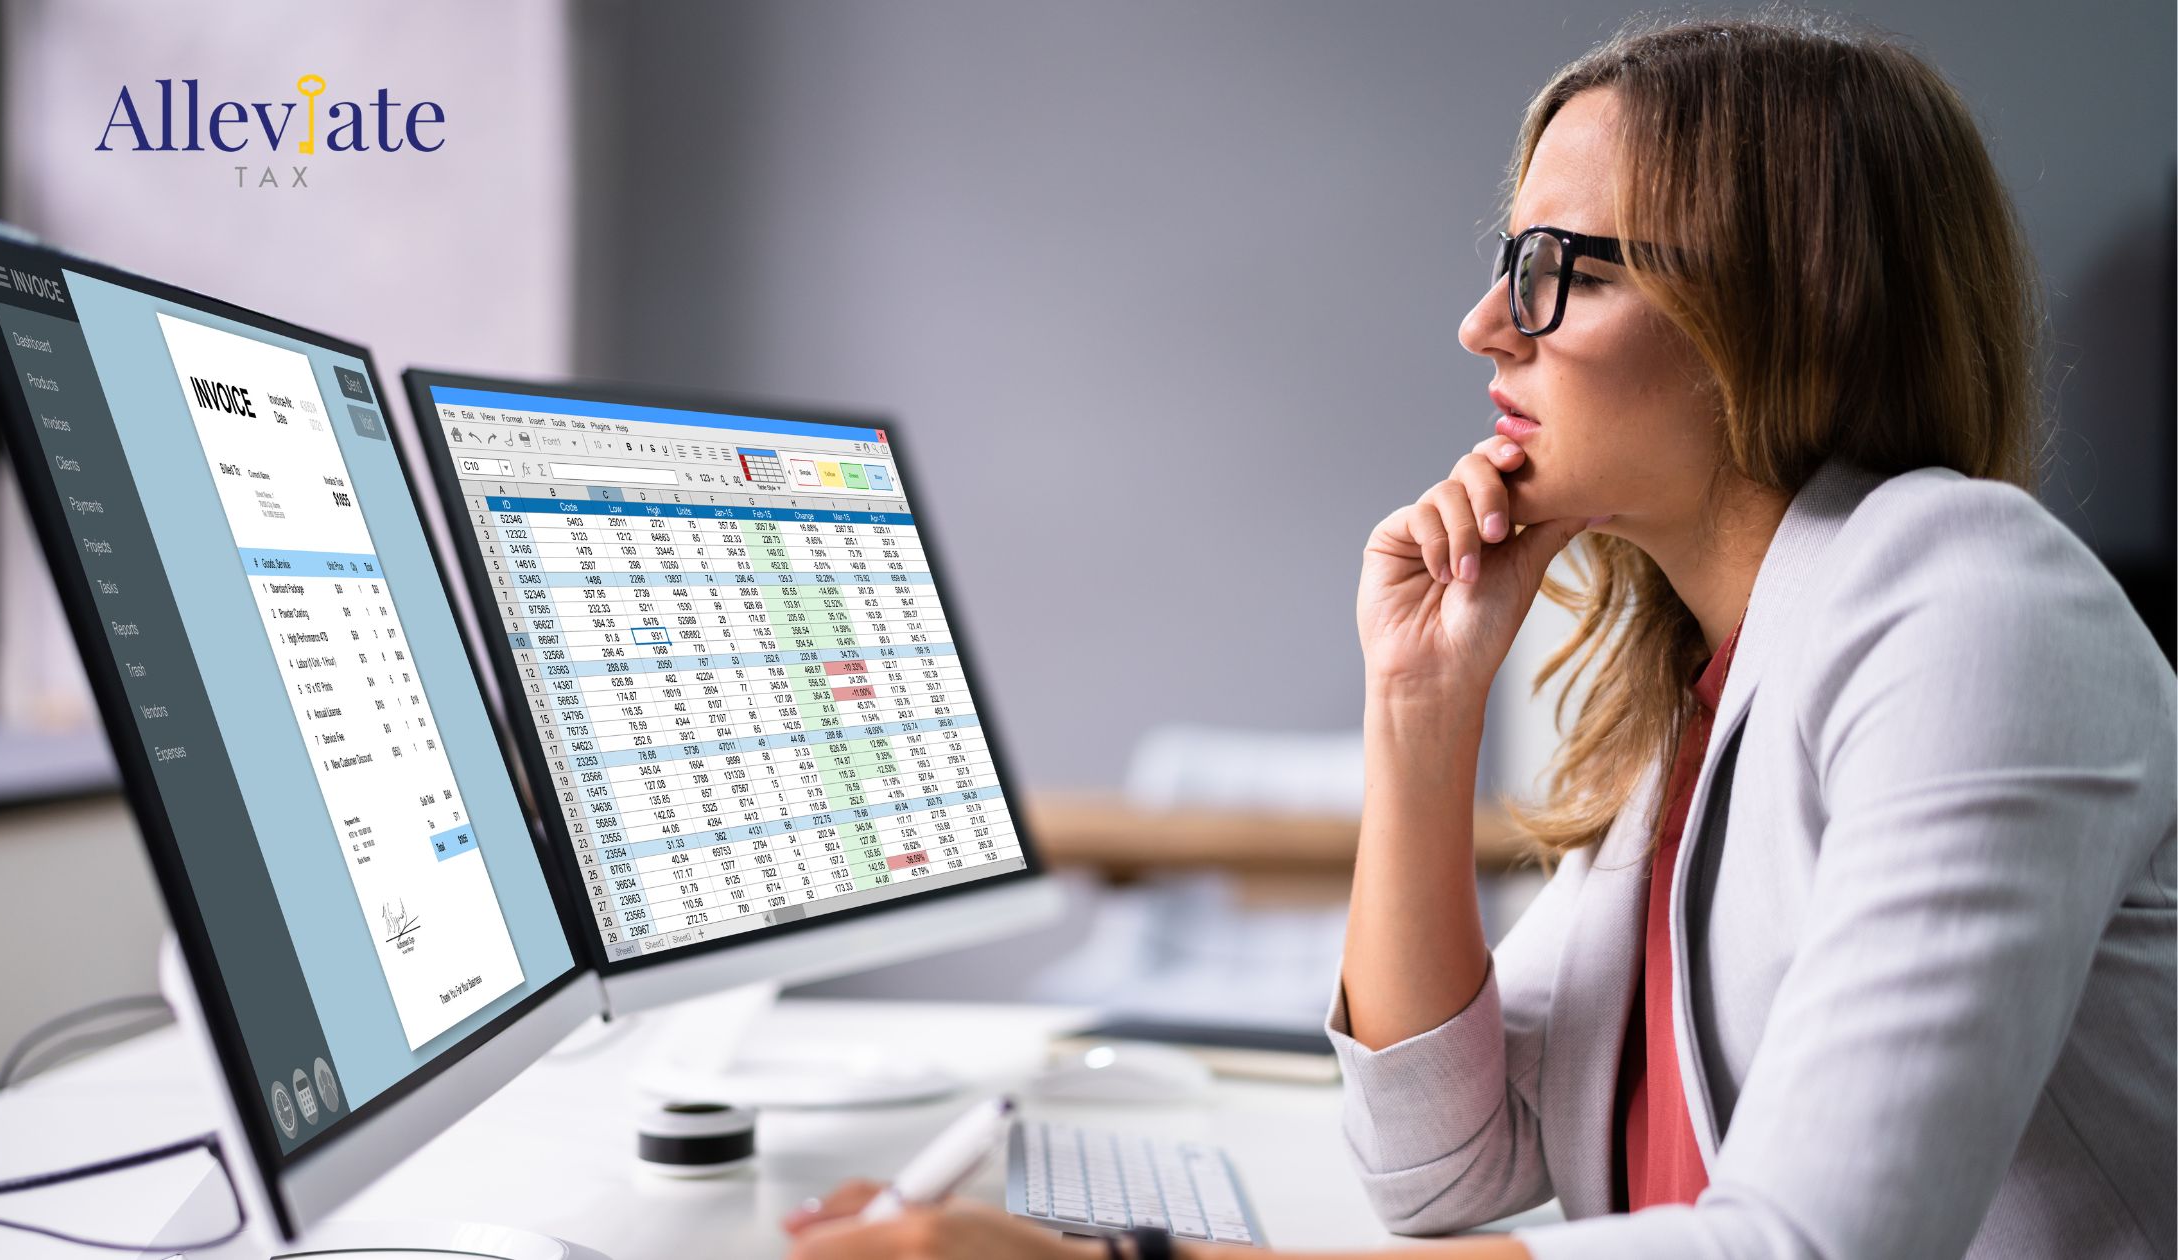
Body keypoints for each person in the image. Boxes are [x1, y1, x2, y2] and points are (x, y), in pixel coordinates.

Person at [780, 12, 2177, 1259]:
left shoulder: (1976, 604)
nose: (1482, 326)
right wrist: (1419, 705)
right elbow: (1436, 1165)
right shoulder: (1708, 695)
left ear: (1786, 306)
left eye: (1558, 267)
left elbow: (1815, 1244)